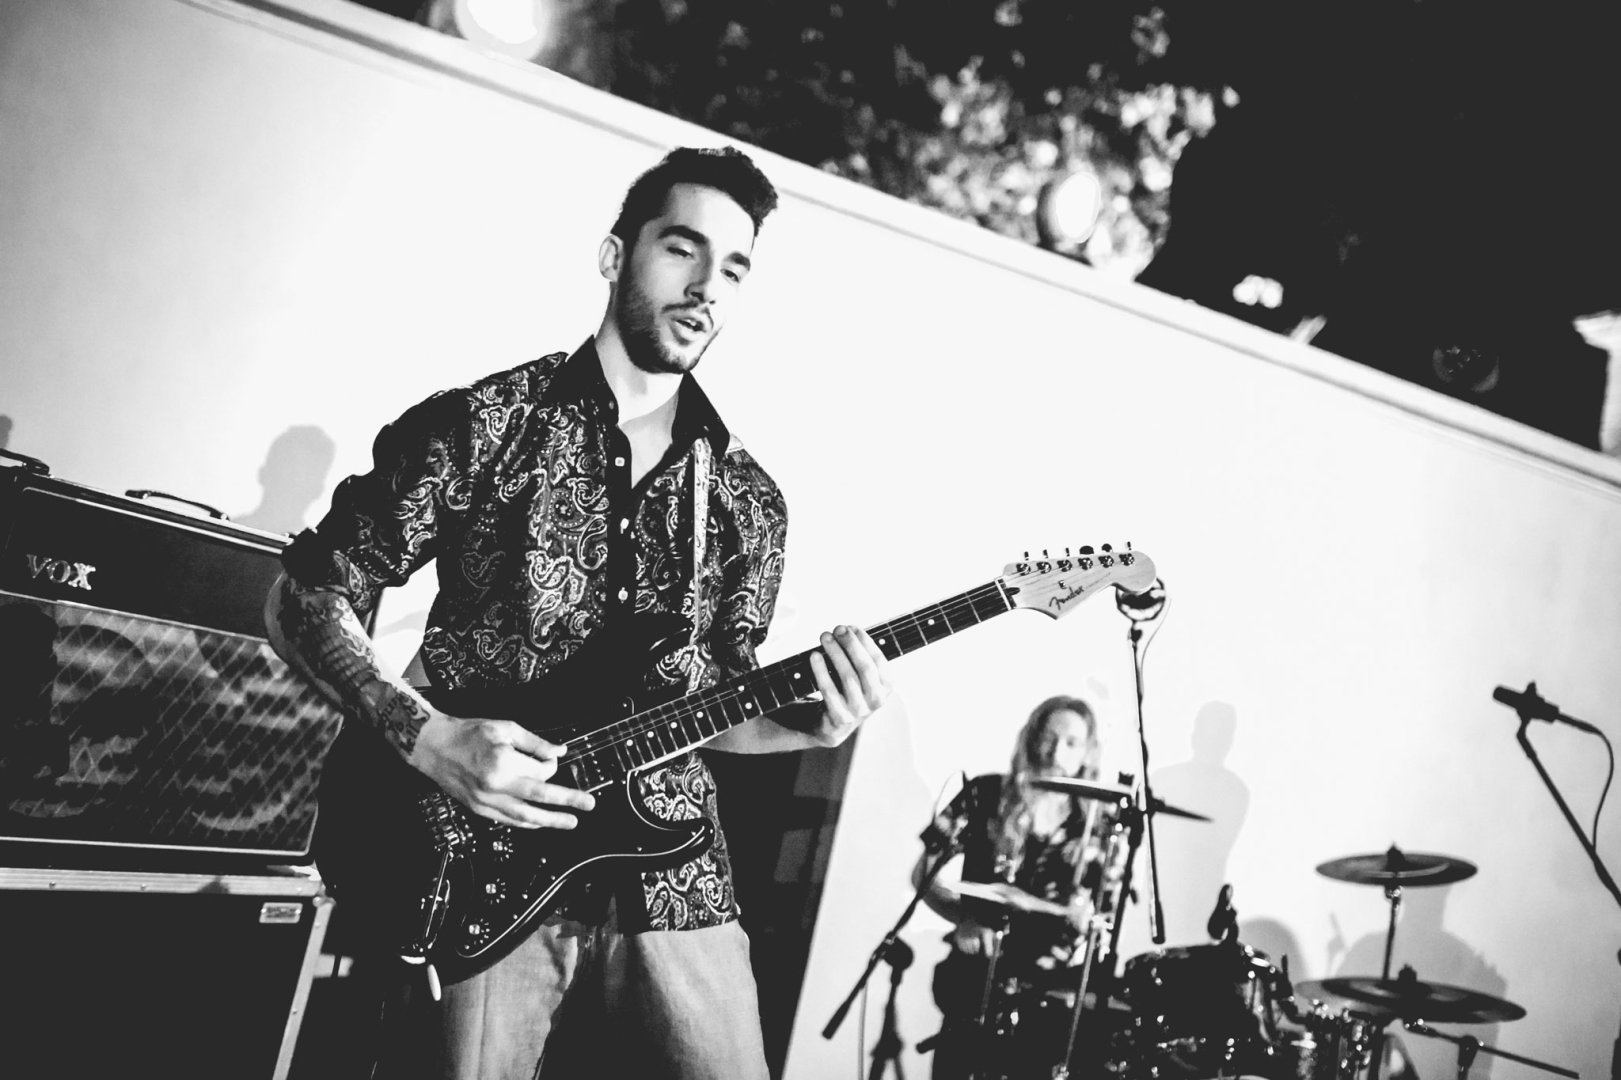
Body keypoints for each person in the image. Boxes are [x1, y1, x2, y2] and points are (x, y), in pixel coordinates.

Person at [264, 145, 891, 1080]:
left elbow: (713, 705)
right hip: (481, 857)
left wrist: (812, 726)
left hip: (674, 874)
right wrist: (427, 739)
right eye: (682, 249)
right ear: (613, 256)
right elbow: (303, 597)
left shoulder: (748, 501)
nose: (705, 287)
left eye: (732, 268)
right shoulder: (485, 425)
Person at [914, 695, 1127, 1080]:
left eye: (1071, 743)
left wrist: (1086, 920)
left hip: (1050, 999)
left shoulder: (1098, 824)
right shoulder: (984, 794)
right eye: (1048, 737)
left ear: (1087, 753)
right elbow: (922, 874)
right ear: (1032, 737)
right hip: (976, 983)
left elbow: (1105, 915)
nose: (1056, 751)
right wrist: (964, 919)